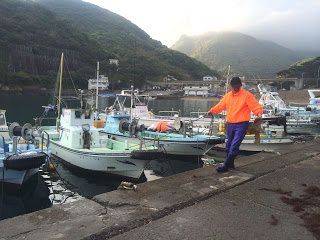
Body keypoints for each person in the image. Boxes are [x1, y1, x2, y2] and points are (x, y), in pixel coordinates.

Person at [208, 77, 263, 172]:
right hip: (231, 124)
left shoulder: (247, 95)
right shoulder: (228, 96)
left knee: (234, 145)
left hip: (242, 124)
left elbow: (256, 106)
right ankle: (231, 165)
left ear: (240, 86)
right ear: (230, 86)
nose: (236, 88)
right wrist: (212, 111)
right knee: (228, 146)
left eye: (238, 86)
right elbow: (220, 106)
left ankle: (225, 165)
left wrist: (259, 114)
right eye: (234, 87)